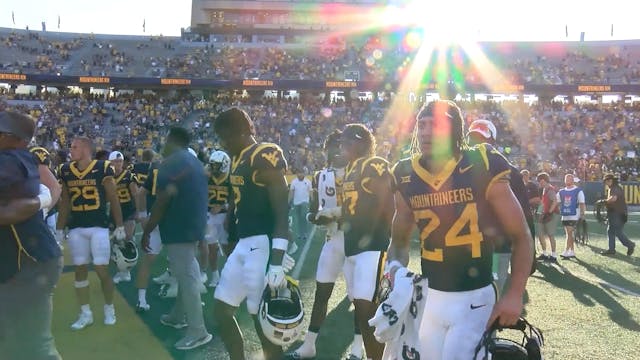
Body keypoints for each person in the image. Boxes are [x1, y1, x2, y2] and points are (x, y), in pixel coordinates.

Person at [387, 100, 533, 359]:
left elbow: (521, 236)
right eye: (422, 125)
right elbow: (398, 240)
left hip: (474, 296)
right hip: (430, 297)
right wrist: (394, 272)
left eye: (435, 125)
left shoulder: (481, 164)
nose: (426, 132)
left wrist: (515, 293)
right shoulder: (406, 173)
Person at [212, 107, 292, 360]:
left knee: (263, 319)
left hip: (263, 244)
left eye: (227, 138)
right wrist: (229, 216)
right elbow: (241, 199)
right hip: (245, 244)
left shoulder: (264, 154)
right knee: (221, 310)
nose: (224, 144)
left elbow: (282, 211)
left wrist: (277, 259)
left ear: (244, 132)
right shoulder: (238, 159)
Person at [286, 130, 364, 360]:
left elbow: (365, 210)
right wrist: (317, 218)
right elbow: (313, 212)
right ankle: (309, 345)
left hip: (356, 241)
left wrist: (338, 214)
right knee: (322, 293)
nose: (339, 150)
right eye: (334, 146)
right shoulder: (320, 176)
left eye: (342, 145)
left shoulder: (360, 172)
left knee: (358, 297)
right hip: (332, 240)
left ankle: (358, 349)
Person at [140, 127, 212, 350]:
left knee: (188, 276)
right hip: (192, 225)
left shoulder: (172, 163)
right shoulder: (193, 161)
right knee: (185, 274)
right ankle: (178, 315)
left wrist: (148, 229)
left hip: (179, 227)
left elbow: (162, 201)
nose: (163, 143)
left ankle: (198, 330)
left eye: (166, 139)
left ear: (173, 140)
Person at [0, 110, 63, 360]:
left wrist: (41, 201)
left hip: (29, 263)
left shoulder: (12, 159)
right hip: (29, 261)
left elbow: (5, 215)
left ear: (13, 138)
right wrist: (42, 200)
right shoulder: (16, 158)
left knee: (31, 345)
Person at [57, 136, 126, 330]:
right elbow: (65, 202)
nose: (71, 150)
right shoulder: (66, 171)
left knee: (101, 269)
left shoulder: (103, 168)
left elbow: (113, 198)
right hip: (77, 228)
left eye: (75, 146)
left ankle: (109, 307)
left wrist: (119, 225)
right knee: (79, 270)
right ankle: (85, 313)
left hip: (98, 227)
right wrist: (60, 228)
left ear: (86, 149)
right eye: (71, 146)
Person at [340, 123, 393, 360]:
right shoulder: (351, 168)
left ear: (361, 142)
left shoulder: (374, 164)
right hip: (351, 248)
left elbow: (389, 205)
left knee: (366, 310)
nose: (342, 146)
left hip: (372, 247)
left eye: (347, 141)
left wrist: (392, 243)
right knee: (361, 311)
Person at [467, 119, 535, 293]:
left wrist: (529, 254)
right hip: (462, 250)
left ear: (492, 142)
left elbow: (525, 217)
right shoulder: (455, 171)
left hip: (497, 248)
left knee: (493, 298)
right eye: (472, 139)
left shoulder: (508, 171)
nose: (476, 144)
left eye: (481, 139)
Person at [134, 158, 162, 312]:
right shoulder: (185, 171)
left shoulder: (157, 169)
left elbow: (140, 193)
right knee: (184, 262)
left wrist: (144, 215)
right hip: (174, 222)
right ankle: (187, 301)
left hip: (155, 218)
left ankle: (141, 299)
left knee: (148, 259)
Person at [109, 150, 140, 283]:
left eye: (120, 161)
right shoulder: (107, 177)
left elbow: (136, 194)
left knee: (127, 240)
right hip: (113, 213)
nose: (118, 164)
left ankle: (126, 272)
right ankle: (121, 267)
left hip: (128, 212)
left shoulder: (129, 176)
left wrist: (139, 211)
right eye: (115, 161)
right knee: (115, 243)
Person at [205, 149, 231, 288]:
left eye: (216, 165)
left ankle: (230, 274)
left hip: (224, 216)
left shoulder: (229, 178)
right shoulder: (207, 176)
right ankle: (215, 275)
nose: (213, 167)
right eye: (212, 165)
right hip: (209, 216)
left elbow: (234, 199)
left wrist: (222, 207)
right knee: (212, 247)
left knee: (227, 247)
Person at [599, 174, 635, 256]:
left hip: (617, 213)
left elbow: (613, 198)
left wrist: (604, 201)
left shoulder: (615, 188)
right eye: (606, 181)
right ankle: (612, 249)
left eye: (609, 180)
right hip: (616, 213)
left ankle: (629, 245)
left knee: (616, 231)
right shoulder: (613, 188)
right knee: (611, 231)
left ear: (613, 180)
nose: (607, 182)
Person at [556, 173, 586, 259]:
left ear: (573, 180)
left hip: (574, 215)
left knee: (569, 233)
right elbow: (556, 202)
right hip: (565, 215)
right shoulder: (561, 191)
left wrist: (582, 214)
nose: (568, 180)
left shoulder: (578, 190)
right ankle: (572, 251)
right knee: (569, 233)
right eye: (566, 179)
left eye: (569, 179)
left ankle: (566, 251)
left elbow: (582, 203)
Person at [536, 172, 559, 263]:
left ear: (545, 180)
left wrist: (549, 212)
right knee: (540, 234)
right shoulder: (544, 189)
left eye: (541, 181)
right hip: (545, 214)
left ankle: (553, 255)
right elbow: (543, 203)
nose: (540, 183)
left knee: (550, 234)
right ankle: (545, 253)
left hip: (551, 214)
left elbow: (555, 201)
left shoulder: (550, 189)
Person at [289, 169, 312, 245]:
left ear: (304, 174)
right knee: (298, 218)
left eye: (301, 173)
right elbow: (291, 192)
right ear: (297, 174)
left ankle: (305, 233)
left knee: (303, 217)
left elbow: (310, 191)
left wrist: (312, 200)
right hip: (296, 202)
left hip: (304, 202)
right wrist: (289, 201)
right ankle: (300, 233)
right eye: (299, 173)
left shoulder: (308, 181)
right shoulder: (294, 182)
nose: (300, 174)